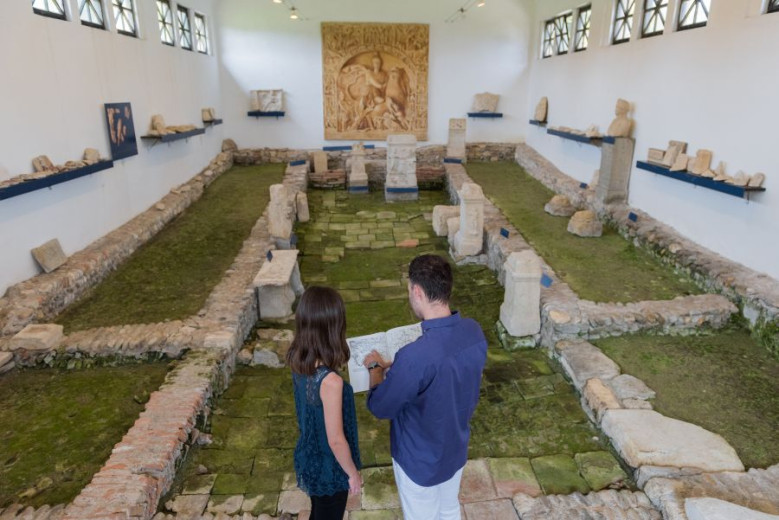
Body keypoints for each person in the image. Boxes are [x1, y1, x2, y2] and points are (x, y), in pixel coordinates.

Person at [363, 255, 487, 520]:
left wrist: (376, 368)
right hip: (455, 447)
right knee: (449, 507)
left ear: (417, 291)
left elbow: (381, 406)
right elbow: (447, 369)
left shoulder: (416, 356)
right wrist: (399, 366)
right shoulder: (474, 332)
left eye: (409, 289)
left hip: (420, 460)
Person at [287, 286, 362, 520]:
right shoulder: (331, 382)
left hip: (310, 457)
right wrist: (352, 473)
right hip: (330, 470)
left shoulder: (299, 361)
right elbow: (336, 440)